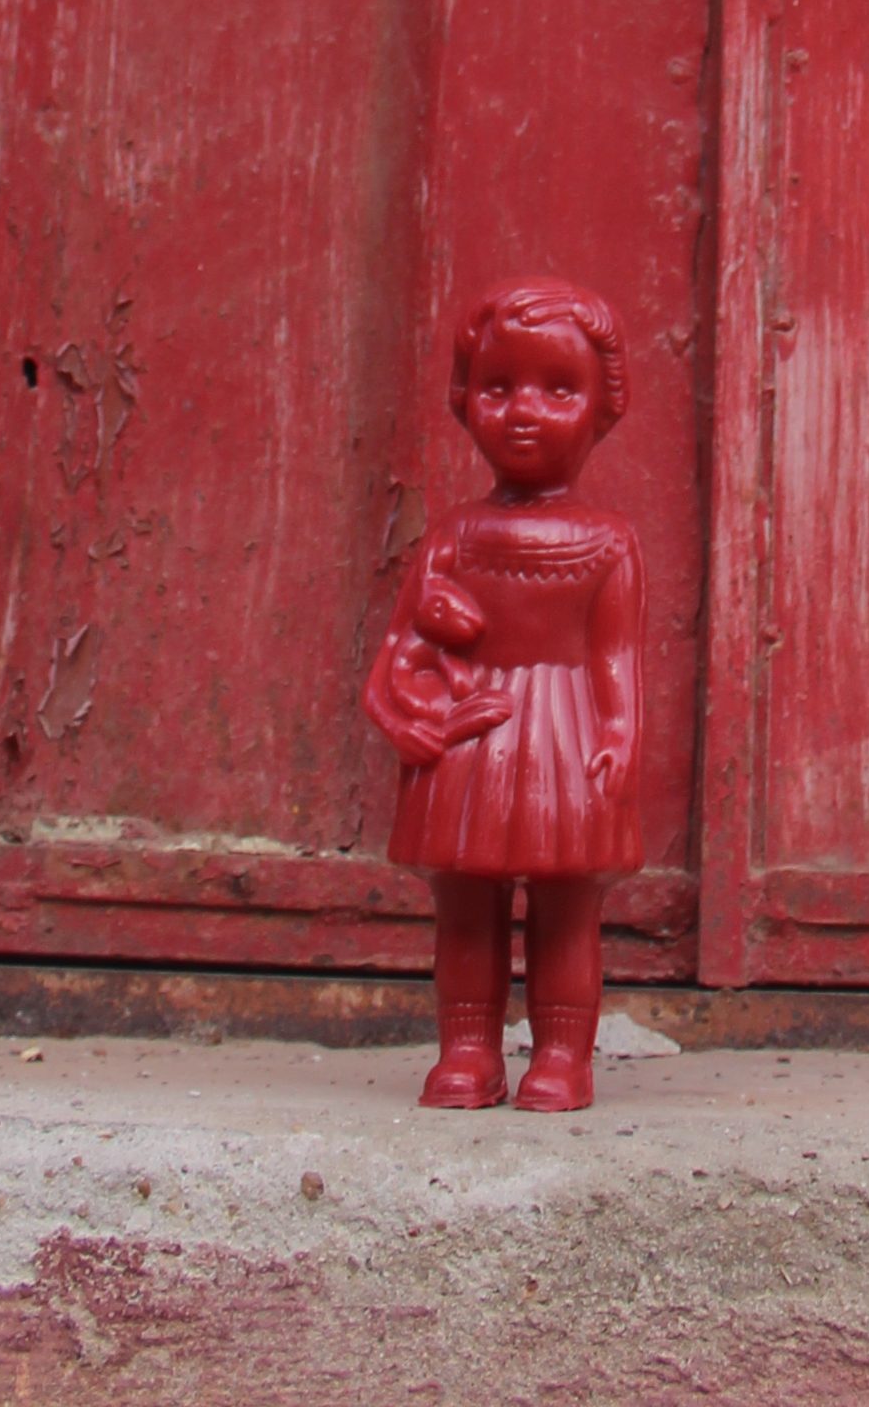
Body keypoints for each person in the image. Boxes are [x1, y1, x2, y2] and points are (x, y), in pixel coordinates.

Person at [364, 278, 645, 1113]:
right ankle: (467, 1050)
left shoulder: (608, 543)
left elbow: (616, 657)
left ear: (603, 408)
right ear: (464, 403)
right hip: (470, 734)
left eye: (558, 389)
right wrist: (404, 705)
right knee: (463, 903)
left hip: (565, 738)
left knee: (567, 905)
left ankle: (562, 1055)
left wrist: (623, 736)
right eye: (497, 387)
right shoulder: (453, 535)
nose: (523, 411)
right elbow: (401, 645)